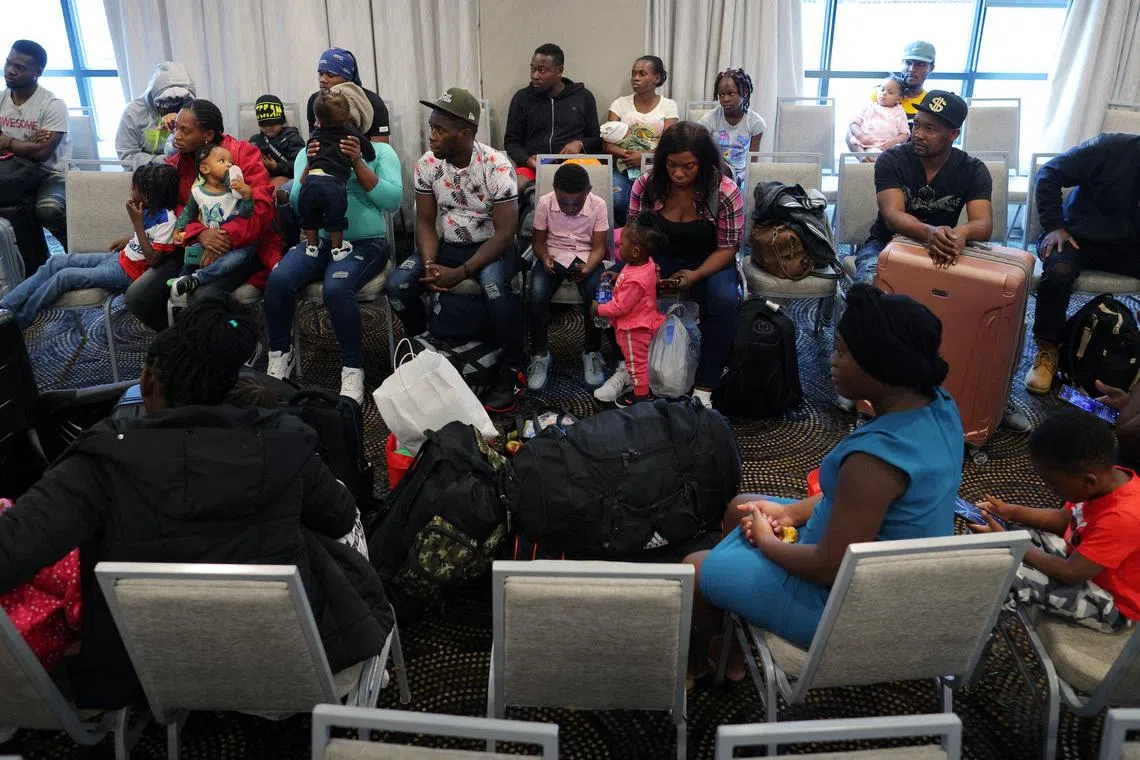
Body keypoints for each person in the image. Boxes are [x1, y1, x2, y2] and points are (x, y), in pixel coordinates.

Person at [0, 292, 393, 710]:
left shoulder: (98, 463)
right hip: (289, 668)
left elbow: (11, 552)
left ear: (148, 381)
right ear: (234, 386)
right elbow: (339, 518)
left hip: (151, 676)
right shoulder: (286, 446)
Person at [685, 283, 962, 677]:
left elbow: (828, 566)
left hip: (850, 607)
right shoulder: (938, 406)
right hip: (897, 578)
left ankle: (703, 662)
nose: (832, 360)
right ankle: (732, 647)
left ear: (880, 365)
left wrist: (767, 541)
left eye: (842, 352)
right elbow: (863, 506)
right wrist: (791, 511)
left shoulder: (871, 461)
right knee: (739, 507)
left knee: (695, 569)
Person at [387, 88, 524, 413]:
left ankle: (513, 367)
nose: (431, 136)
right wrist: (431, 263)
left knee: (494, 287)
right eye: (431, 127)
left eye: (439, 130)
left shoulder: (496, 166)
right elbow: (425, 221)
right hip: (447, 244)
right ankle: (424, 344)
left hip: (491, 246)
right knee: (398, 286)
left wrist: (461, 273)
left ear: (464, 134)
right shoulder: (428, 164)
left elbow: (506, 233)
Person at [264, 93, 402, 405]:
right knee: (279, 280)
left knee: (337, 287)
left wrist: (357, 162)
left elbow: (392, 202)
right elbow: (299, 206)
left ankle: (352, 369)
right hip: (319, 241)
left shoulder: (380, 152)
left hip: (367, 241)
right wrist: (308, 169)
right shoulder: (309, 150)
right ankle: (280, 354)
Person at [598, 122, 742, 409]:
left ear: (704, 163)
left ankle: (705, 385)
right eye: (672, 165)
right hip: (656, 256)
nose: (678, 173)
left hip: (708, 261)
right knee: (614, 290)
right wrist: (648, 269)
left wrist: (696, 275)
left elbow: (728, 249)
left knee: (724, 300)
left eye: (688, 167)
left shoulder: (724, 191)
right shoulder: (647, 186)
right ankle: (629, 368)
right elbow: (634, 238)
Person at [970, 410, 1140, 633]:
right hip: (1079, 560)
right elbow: (1062, 521)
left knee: (1002, 576)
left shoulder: (1123, 517)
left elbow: (1071, 573)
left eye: (1053, 484)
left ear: (1088, 481)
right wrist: (1011, 513)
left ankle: (968, 649)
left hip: (1110, 603)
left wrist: (1013, 545)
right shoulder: (1105, 480)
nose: (1049, 489)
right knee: (995, 538)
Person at [124, 99, 281, 332]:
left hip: (244, 247)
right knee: (138, 297)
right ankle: (185, 342)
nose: (176, 135)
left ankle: (237, 341)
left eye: (185, 131)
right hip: (195, 244)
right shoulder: (176, 163)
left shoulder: (243, 154)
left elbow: (261, 208)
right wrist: (201, 234)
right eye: (175, 128)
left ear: (207, 135)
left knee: (202, 297)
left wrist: (220, 237)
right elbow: (176, 207)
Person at [1024, 133, 1140, 395]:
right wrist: (1054, 226)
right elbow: (1049, 174)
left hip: (1129, 245)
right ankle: (1048, 348)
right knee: (1058, 271)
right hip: (1079, 237)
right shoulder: (1110, 147)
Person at [0, 163, 179, 328]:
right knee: (57, 262)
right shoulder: (146, 209)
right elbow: (147, 237)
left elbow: (154, 260)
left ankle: (19, 320)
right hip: (120, 259)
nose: (130, 191)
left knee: (65, 276)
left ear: (148, 195)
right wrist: (129, 239)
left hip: (128, 273)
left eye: (134, 188)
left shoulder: (167, 221)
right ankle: (5, 307)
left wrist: (137, 224)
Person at [851, 91, 993, 286]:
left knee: (970, 292)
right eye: (916, 125)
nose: (918, 134)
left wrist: (962, 233)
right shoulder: (892, 160)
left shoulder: (973, 169)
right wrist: (929, 232)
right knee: (868, 286)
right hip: (886, 243)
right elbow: (892, 217)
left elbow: (983, 224)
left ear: (953, 134)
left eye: (930, 129)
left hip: (941, 247)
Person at [527, 162, 610, 391]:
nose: (570, 209)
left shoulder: (598, 205)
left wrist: (588, 268)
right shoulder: (545, 202)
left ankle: (591, 351)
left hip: (585, 256)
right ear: (554, 189)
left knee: (597, 295)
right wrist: (545, 259)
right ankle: (540, 354)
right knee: (536, 293)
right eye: (564, 203)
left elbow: (599, 247)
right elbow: (538, 242)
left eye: (577, 203)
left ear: (588, 191)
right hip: (553, 254)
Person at [0, 40, 69, 252]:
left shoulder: (52, 105)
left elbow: (43, 153)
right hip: (12, 170)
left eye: (19, 67)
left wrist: (7, 141)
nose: (10, 70)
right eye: (8, 63)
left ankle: (76, 251)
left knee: (49, 210)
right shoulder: (1, 99)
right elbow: (34, 149)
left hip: (50, 173)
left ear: (37, 72)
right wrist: (28, 144)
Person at [505, 43, 602, 192]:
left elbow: (596, 138)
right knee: (510, 189)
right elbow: (512, 142)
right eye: (532, 69)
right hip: (533, 167)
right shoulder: (522, 98)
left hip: (574, 165)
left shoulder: (583, 97)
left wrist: (580, 143)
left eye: (542, 70)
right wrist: (527, 159)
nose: (535, 76)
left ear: (560, 70)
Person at [592, 214, 665, 406]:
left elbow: (621, 306)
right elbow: (629, 278)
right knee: (637, 361)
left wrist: (599, 309)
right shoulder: (643, 264)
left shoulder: (635, 279)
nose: (618, 248)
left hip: (634, 329)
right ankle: (640, 390)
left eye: (621, 246)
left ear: (635, 251)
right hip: (641, 320)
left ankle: (640, 397)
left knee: (635, 364)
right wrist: (618, 277)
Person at [170, 144, 257, 304]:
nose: (229, 164)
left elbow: (245, 214)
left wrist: (247, 196)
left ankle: (197, 278)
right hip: (209, 244)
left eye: (231, 162)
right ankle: (182, 278)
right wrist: (178, 228)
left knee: (234, 260)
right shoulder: (197, 192)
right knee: (192, 253)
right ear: (205, 169)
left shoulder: (234, 191)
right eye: (222, 161)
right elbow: (189, 212)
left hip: (234, 246)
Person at [298, 84, 376, 260]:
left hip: (311, 181)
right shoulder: (351, 134)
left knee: (309, 216)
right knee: (335, 219)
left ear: (317, 119)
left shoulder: (315, 135)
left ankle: (311, 246)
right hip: (333, 183)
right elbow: (370, 153)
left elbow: (309, 151)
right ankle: (337, 249)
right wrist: (364, 156)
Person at [603, 55, 679, 225]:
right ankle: (623, 238)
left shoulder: (669, 106)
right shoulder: (620, 104)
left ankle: (647, 240)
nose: (635, 78)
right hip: (622, 166)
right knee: (616, 201)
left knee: (654, 203)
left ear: (657, 78)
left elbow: (669, 142)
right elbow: (607, 143)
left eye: (642, 74)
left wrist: (643, 157)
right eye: (633, 74)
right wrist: (629, 156)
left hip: (655, 168)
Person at [847, 39, 935, 151]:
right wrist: (863, 157)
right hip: (873, 157)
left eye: (920, 64)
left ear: (931, 68)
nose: (912, 69)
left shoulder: (930, 103)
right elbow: (851, 130)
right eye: (908, 63)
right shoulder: (879, 95)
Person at [115, 61, 196, 169]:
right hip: (144, 177)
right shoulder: (134, 112)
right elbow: (127, 157)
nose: (170, 109)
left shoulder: (192, 110)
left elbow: (201, 148)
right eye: (166, 104)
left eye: (179, 103)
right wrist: (168, 160)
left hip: (183, 173)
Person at [305, 48, 391, 144]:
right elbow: (313, 142)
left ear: (347, 78)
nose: (322, 79)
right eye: (321, 74)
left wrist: (357, 158)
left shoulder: (374, 103)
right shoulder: (315, 101)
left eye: (330, 75)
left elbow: (382, 151)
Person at [698, 68, 767, 187]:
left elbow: (752, 162)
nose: (725, 99)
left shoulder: (755, 123)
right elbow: (702, 155)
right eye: (721, 95)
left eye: (731, 93)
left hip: (742, 175)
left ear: (744, 92)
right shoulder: (708, 120)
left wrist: (740, 178)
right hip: (715, 171)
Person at [248, 93, 305, 189]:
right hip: (260, 179)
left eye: (272, 124)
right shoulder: (256, 140)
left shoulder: (293, 138)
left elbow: (300, 166)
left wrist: (277, 168)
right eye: (264, 125)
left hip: (287, 179)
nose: (268, 128)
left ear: (281, 122)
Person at [845, 75, 910, 157]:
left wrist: (893, 142)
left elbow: (905, 133)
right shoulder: (869, 107)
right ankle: (865, 159)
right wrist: (861, 135)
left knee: (898, 153)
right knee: (853, 141)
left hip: (888, 147)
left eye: (890, 92)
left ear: (899, 99)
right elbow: (853, 123)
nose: (884, 93)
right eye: (882, 89)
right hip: (866, 144)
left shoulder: (899, 111)